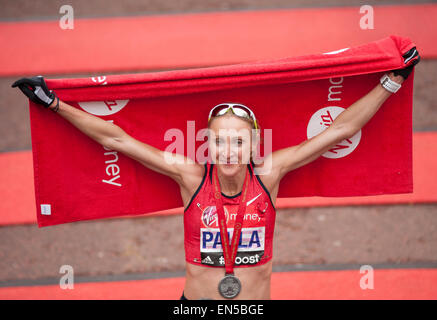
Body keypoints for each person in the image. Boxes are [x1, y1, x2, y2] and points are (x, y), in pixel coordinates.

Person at [12, 55, 419, 300]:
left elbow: (339, 130)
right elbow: (117, 138)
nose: (228, 151)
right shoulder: (190, 177)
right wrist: (55, 104)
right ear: (208, 144)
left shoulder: (270, 173)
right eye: (220, 142)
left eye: (237, 142)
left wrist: (391, 81)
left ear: (253, 144)